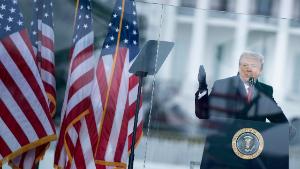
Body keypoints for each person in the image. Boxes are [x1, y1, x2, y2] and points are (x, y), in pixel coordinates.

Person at [195, 51, 290, 169]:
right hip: (222, 156)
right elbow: (203, 113)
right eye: (245, 65)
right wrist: (202, 86)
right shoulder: (222, 85)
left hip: (251, 156)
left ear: (260, 71)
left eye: (254, 66)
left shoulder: (266, 91)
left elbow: (281, 122)